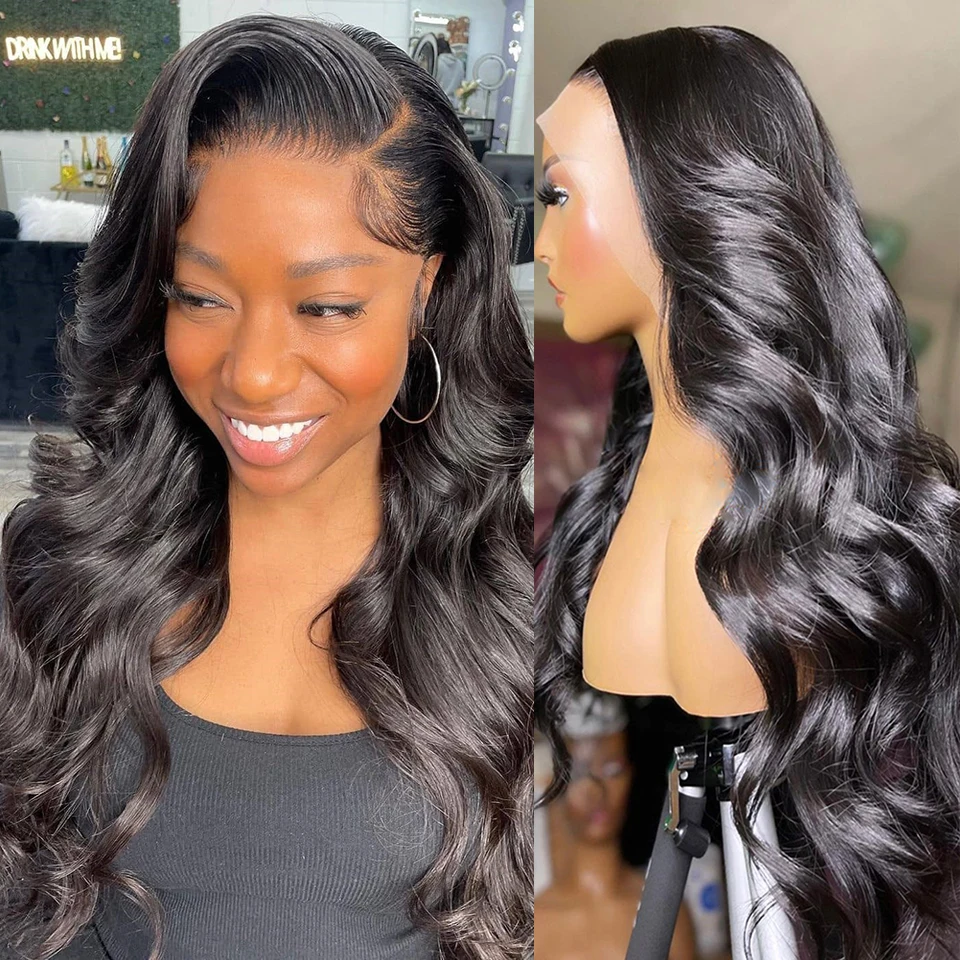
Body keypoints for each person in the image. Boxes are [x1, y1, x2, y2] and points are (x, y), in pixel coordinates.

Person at [0, 13, 532, 960]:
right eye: (201, 296)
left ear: (428, 287)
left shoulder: (521, 605)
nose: (251, 373)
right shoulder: (54, 578)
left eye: (325, 306)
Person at [533, 24, 960, 960]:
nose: (542, 237)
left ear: (676, 196)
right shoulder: (617, 489)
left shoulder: (855, 527)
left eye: (560, 193)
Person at [535, 689, 698, 960]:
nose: (596, 791)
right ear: (555, 783)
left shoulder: (666, 913)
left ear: (631, 775)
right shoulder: (536, 923)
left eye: (612, 770)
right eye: (578, 773)